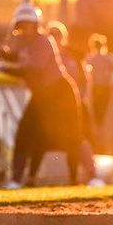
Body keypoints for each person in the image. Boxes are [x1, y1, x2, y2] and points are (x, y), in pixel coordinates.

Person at [0, 0, 84, 188]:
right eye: (21, 25)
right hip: (41, 95)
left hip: (60, 92)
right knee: (26, 134)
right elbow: (17, 56)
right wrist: (3, 55)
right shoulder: (23, 42)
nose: (24, 29)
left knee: (71, 136)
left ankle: (75, 179)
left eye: (28, 25)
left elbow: (32, 69)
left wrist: (3, 66)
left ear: (36, 24)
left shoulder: (44, 41)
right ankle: (20, 179)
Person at [44, 21, 100, 186]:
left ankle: (87, 175)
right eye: (51, 34)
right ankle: (29, 178)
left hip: (74, 104)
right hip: (53, 106)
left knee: (77, 139)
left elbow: (84, 79)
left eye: (57, 35)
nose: (54, 38)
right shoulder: (45, 57)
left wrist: (80, 98)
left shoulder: (74, 55)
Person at [85, 33, 113, 149]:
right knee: (99, 117)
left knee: (98, 117)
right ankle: (99, 142)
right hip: (100, 89)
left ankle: (99, 143)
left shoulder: (94, 58)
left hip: (100, 89)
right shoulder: (105, 58)